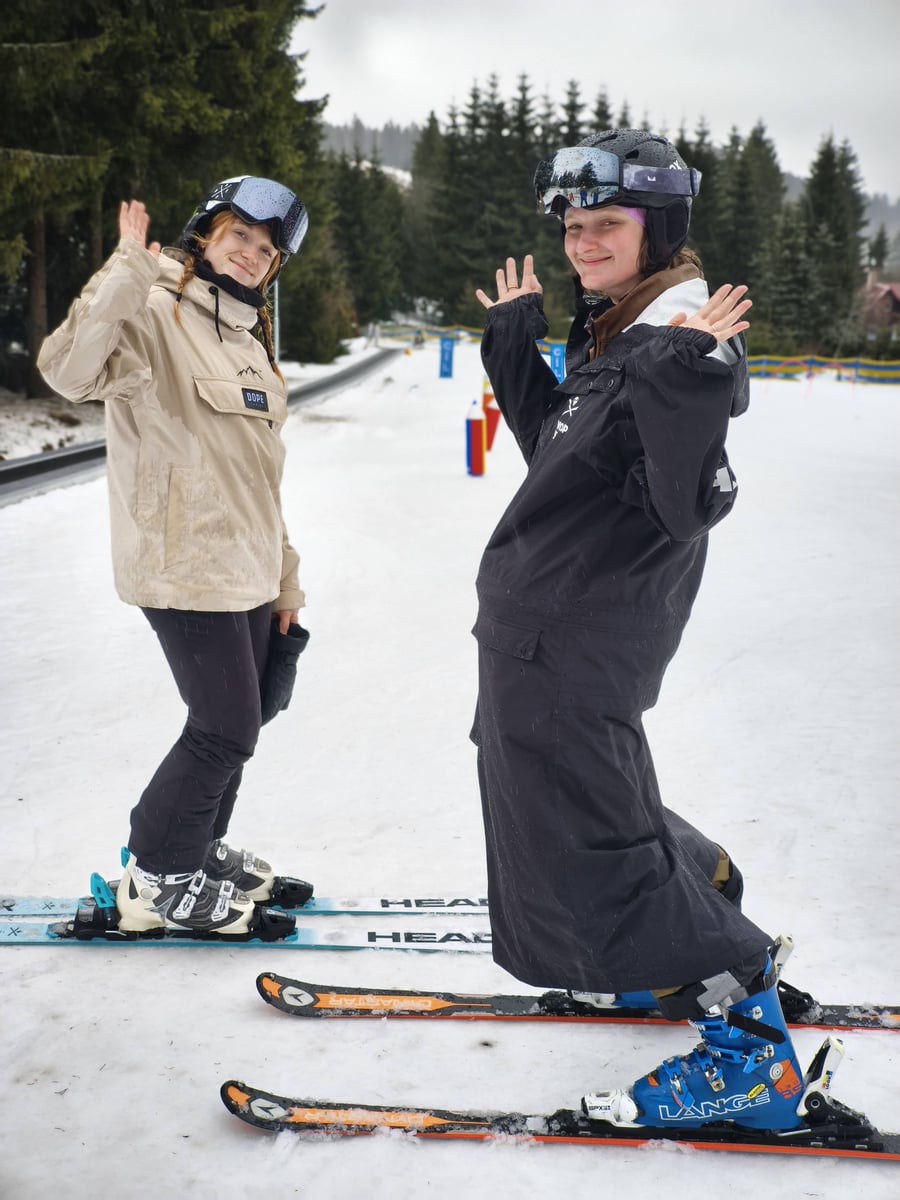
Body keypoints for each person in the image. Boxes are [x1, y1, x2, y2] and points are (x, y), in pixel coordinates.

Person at [471, 129, 830, 1131]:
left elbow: (685, 503)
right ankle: (688, 912)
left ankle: (746, 1044)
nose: (583, 243)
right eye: (573, 227)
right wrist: (516, 351)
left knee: (584, 835)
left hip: (577, 631)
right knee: (577, 803)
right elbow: (567, 466)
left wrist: (683, 376)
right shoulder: (625, 334)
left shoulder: (679, 344)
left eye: (607, 225)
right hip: (548, 627)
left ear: (659, 228)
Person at [38, 176, 311, 936]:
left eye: (267, 248)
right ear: (205, 234)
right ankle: (158, 876)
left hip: (248, 570)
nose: (252, 254)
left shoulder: (249, 344)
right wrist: (127, 266)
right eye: (239, 235)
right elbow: (66, 370)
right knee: (224, 727)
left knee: (249, 715)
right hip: (184, 565)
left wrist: (286, 579)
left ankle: (197, 849)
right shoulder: (154, 313)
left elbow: (261, 479)